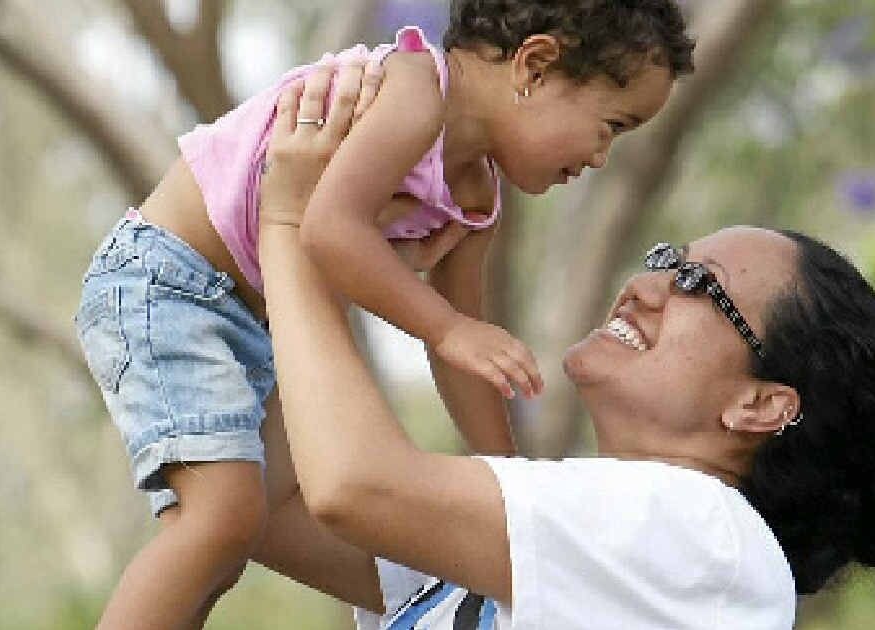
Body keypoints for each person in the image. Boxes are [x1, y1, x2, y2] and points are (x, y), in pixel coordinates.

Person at [253, 64, 875, 628]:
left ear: (760, 405)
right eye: (666, 258)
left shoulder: (710, 538)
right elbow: (265, 504)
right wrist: (327, 265)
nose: (646, 286)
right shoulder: (590, 536)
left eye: (697, 282)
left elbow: (353, 487)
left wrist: (294, 225)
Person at [75, 2, 695, 627]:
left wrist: (512, 487)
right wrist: (449, 330)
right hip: (167, 277)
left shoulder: (478, 195)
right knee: (221, 518)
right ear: (534, 66)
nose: (600, 157)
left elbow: (462, 355)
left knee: (240, 529)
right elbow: (329, 228)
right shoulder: (415, 89)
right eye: (611, 126)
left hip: (248, 313)